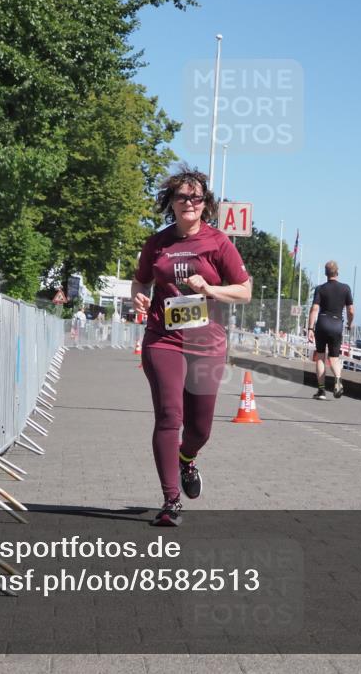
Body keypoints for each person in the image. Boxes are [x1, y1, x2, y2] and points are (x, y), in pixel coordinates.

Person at [132, 166, 252, 526]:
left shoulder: (218, 242)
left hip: (206, 344)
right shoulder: (158, 243)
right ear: (171, 202)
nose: (189, 202)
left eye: (196, 197)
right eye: (182, 197)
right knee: (170, 416)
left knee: (200, 429)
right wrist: (139, 297)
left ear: (205, 204)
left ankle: (187, 458)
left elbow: (244, 291)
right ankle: (171, 502)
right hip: (163, 339)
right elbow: (140, 282)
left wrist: (210, 289)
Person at [307, 260, 355, 400]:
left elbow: (314, 309)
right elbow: (351, 311)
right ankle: (338, 380)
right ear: (337, 272)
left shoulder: (320, 289)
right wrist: (350, 323)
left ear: (325, 273)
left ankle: (321, 391)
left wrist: (310, 328)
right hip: (336, 324)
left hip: (322, 323)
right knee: (334, 358)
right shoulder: (345, 288)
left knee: (320, 357)